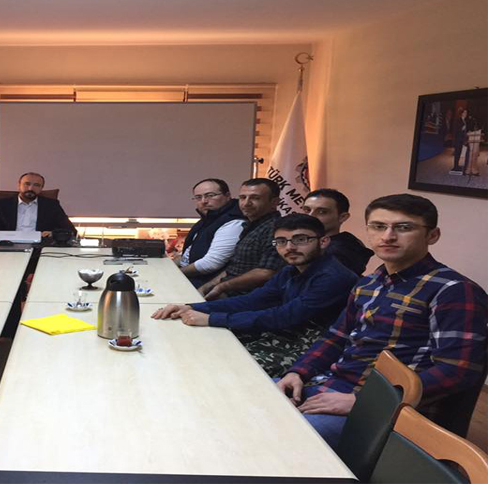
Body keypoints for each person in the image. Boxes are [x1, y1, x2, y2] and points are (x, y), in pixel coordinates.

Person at [275, 194, 487, 449]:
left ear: (432, 236)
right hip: (331, 385)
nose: (388, 236)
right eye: (378, 226)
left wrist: (367, 402)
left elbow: (456, 371)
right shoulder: (369, 283)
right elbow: (336, 337)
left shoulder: (453, 290)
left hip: (386, 409)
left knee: (282, 441)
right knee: (248, 406)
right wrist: (299, 371)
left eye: (403, 227)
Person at [154, 214, 358, 377]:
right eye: (281, 241)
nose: (289, 247)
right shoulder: (291, 270)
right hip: (284, 330)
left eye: (301, 240)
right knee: (198, 344)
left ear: (323, 242)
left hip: (312, 343)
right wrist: (192, 307)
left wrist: (211, 318)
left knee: (225, 365)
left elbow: (284, 316)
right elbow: (253, 300)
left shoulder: (333, 277)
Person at [198, 178, 285, 299]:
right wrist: (207, 287)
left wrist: (221, 287)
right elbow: (234, 267)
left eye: (255, 198)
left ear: (275, 202)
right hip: (228, 291)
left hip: (248, 298)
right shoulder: (250, 225)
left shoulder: (277, 228)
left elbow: (266, 272)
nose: (246, 203)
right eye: (243, 197)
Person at [176, 178, 245, 288]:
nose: (204, 201)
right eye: (198, 197)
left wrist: (174, 274)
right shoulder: (210, 218)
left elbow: (210, 264)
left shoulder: (234, 221)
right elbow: (190, 251)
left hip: (205, 281)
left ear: (227, 196)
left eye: (210, 195)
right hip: (191, 275)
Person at [302, 188, 373, 276]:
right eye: (307, 210)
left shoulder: (342, 251)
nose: (310, 216)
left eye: (322, 212)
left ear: (342, 217)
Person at [0, 172, 76, 237]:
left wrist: (53, 234)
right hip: (10, 245)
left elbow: (70, 230)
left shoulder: (51, 205)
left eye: (36, 185)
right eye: (27, 184)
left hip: (40, 247)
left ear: (41, 188)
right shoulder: (1, 204)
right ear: (19, 185)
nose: (31, 188)